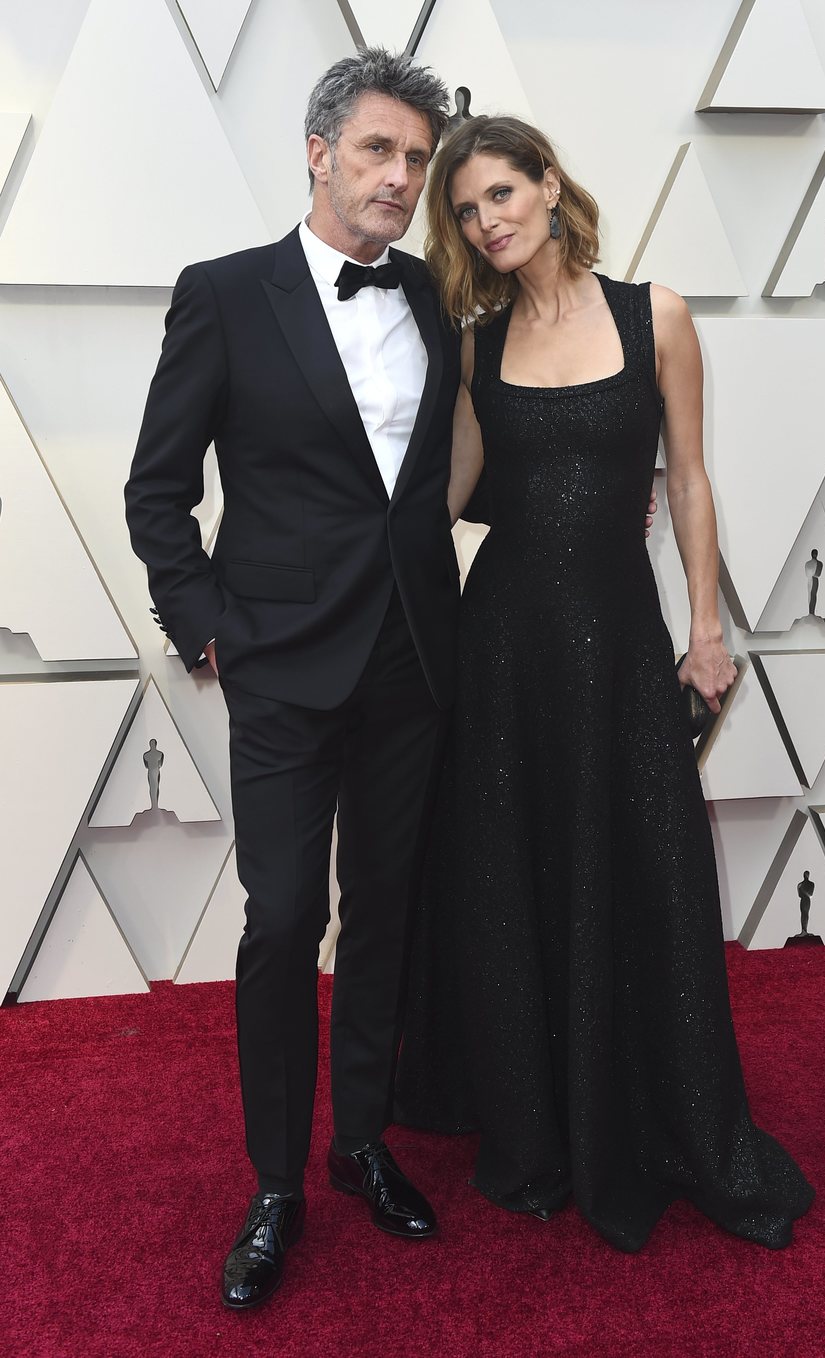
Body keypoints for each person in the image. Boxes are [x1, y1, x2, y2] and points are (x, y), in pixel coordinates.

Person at [395, 115, 815, 1253]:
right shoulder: (478, 343)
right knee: (513, 876)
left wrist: (708, 629)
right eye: (466, 211)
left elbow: (689, 480)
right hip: (504, 646)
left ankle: (649, 1112)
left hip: (621, 643)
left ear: (548, 183)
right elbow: (450, 493)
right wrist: (348, 541)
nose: (486, 221)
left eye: (500, 193)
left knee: (641, 871)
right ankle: (533, 1122)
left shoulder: (653, 314)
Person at [126, 50, 462, 1310]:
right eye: (379, 149)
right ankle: (276, 1183)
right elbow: (158, 490)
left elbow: (432, 476)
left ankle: (359, 1139)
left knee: (384, 906)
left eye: (417, 159)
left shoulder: (430, 294)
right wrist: (206, 625)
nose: (401, 177)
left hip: (412, 657)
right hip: (278, 661)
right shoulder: (224, 293)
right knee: (280, 921)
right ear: (319, 153)